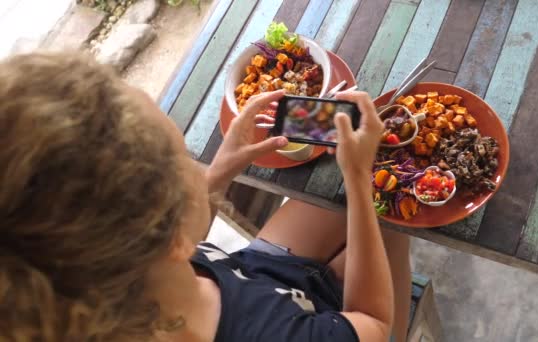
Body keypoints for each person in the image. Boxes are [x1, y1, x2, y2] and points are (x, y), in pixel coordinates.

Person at [0, 53, 411, 341]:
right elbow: (372, 320)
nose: (201, 169)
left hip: (255, 280)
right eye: (184, 158)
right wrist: (358, 181)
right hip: (331, 324)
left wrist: (221, 170)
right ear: (173, 233)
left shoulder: (105, 282)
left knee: (346, 205)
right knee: (389, 214)